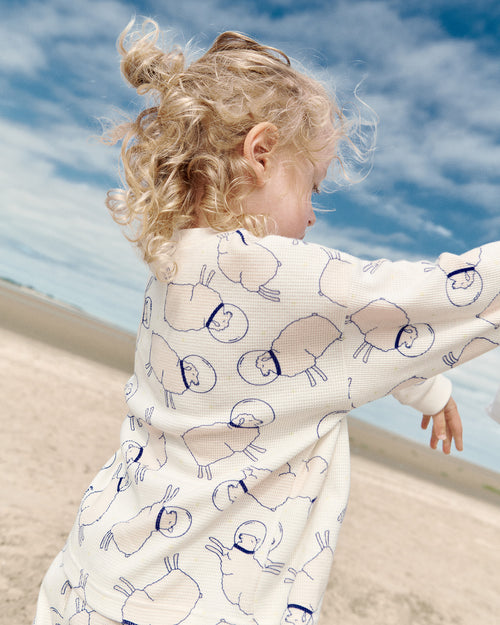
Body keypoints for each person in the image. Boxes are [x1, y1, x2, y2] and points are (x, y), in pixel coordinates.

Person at [34, 18, 500, 625]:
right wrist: (436, 382)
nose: (312, 217)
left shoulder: (177, 263)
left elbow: (324, 345)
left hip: (98, 575)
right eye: (312, 186)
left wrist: (429, 388)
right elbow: (419, 302)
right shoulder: (270, 272)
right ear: (259, 154)